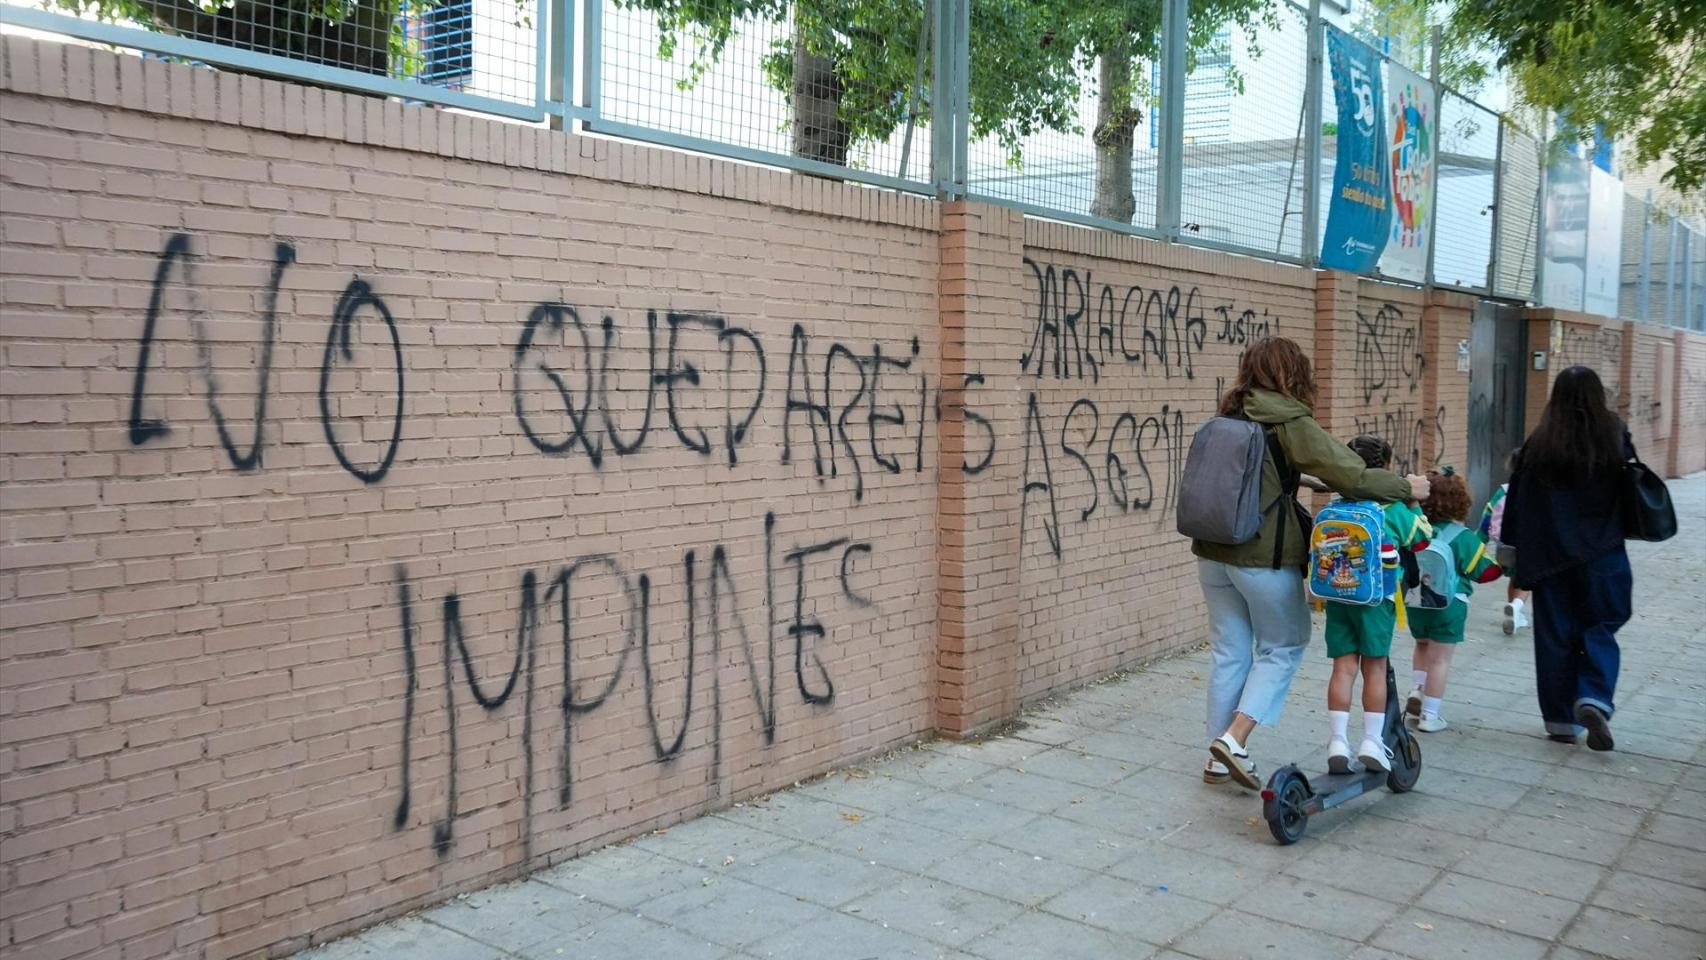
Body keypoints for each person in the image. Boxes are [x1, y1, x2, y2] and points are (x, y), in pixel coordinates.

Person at [1192, 338, 1430, 790]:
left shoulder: (1229, 414)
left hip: (1212, 554)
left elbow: (1258, 471)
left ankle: (1218, 759)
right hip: (1261, 556)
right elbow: (1352, 473)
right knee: (1284, 645)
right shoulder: (1287, 418)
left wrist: (1298, 477)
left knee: (1230, 651)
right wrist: (1407, 488)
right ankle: (1234, 738)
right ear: (1292, 374)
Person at [1502, 366, 1635, 751]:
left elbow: (1518, 500)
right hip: (1603, 553)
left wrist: (1512, 550)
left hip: (1550, 557)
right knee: (1602, 624)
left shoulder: (1540, 442)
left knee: (1554, 634)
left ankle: (1560, 720)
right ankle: (1593, 696)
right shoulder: (1613, 435)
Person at [1323, 436, 1432, 773]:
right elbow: (1422, 538)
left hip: (1339, 597)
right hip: (1376, 600)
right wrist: (1414, 503)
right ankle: (1371, 741)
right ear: (1386, 468)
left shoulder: (1338, 506)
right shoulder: (1393, 509)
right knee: (1375, 668)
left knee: (1342, 668)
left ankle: (1337, 741)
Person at [1405, 468, 1504, 733]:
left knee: (1421, 646)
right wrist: (1505, 564)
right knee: (1439, 660)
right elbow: (1485, 573)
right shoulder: (1463, 538)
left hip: (1415, 602)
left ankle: (1417, 688)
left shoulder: (1415, 529)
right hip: (1449, 606)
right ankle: (1430, 715)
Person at [1480, 455, 1531, 634]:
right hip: (1529, 546)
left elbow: (1488, 515)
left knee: (1513, 578)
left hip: (1505, 545)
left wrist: (1480, 541)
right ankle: (1516, 607)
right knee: (1525, 581)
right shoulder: (1538, 491)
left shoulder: (1504, 491)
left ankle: (1514, 616)